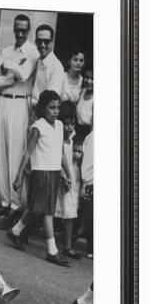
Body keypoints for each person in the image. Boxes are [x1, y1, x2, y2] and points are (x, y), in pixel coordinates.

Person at [8, 90, 71, 266]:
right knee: (47, 211)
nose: (55, 111)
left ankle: (15, 230)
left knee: (36, 208)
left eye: (58, 108)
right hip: (40, 172)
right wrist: (19, 176)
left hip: (54, 172)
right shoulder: (38, 126)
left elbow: (61, 153)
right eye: (52, 108)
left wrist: (66, 173)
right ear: (43, 108)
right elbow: (28, 151)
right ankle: (52, 251)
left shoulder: (59, 126)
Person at [0, 14, 39, 218]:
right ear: (13, 29)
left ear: (28, 31)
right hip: (3, 100)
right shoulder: (6, 50)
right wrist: (10, 72)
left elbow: (24, 74)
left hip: (20, 103)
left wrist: (7, 68)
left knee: (15, 152)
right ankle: (3, 200)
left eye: (24, 30)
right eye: (17, 29)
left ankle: (15, 203)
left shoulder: (33, 51)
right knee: (0, 151)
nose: (20, 33)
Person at [54, 102, 82, 259]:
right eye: (66, 124)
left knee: (70, 212)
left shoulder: (70, 140)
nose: (70, 127)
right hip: (59, 175)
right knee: (48, 209)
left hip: (69, 178)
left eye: (72, 124)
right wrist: (63, 175)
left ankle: (68, 245)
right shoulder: (58, 139)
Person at [31, 24, 65, 110]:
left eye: (46, 41)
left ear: (52, 42)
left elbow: (51, 100)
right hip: (32, 110)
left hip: (44, 113)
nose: (42, 45)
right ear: (35, 42)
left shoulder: (56, 67)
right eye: (39, 41)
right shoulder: (38, 61)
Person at [79, 130, 93, 258]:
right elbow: (87, 165)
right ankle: (91, 249)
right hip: (92, 183)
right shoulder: (93, 137)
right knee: (92, 218)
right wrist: (86, 183)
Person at [75, 68, 94, 139]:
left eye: (92, 78)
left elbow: (93, 127)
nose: (89, 81)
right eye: (87, 77)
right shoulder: (82, 92)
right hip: (77, 131)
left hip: (88, 133)